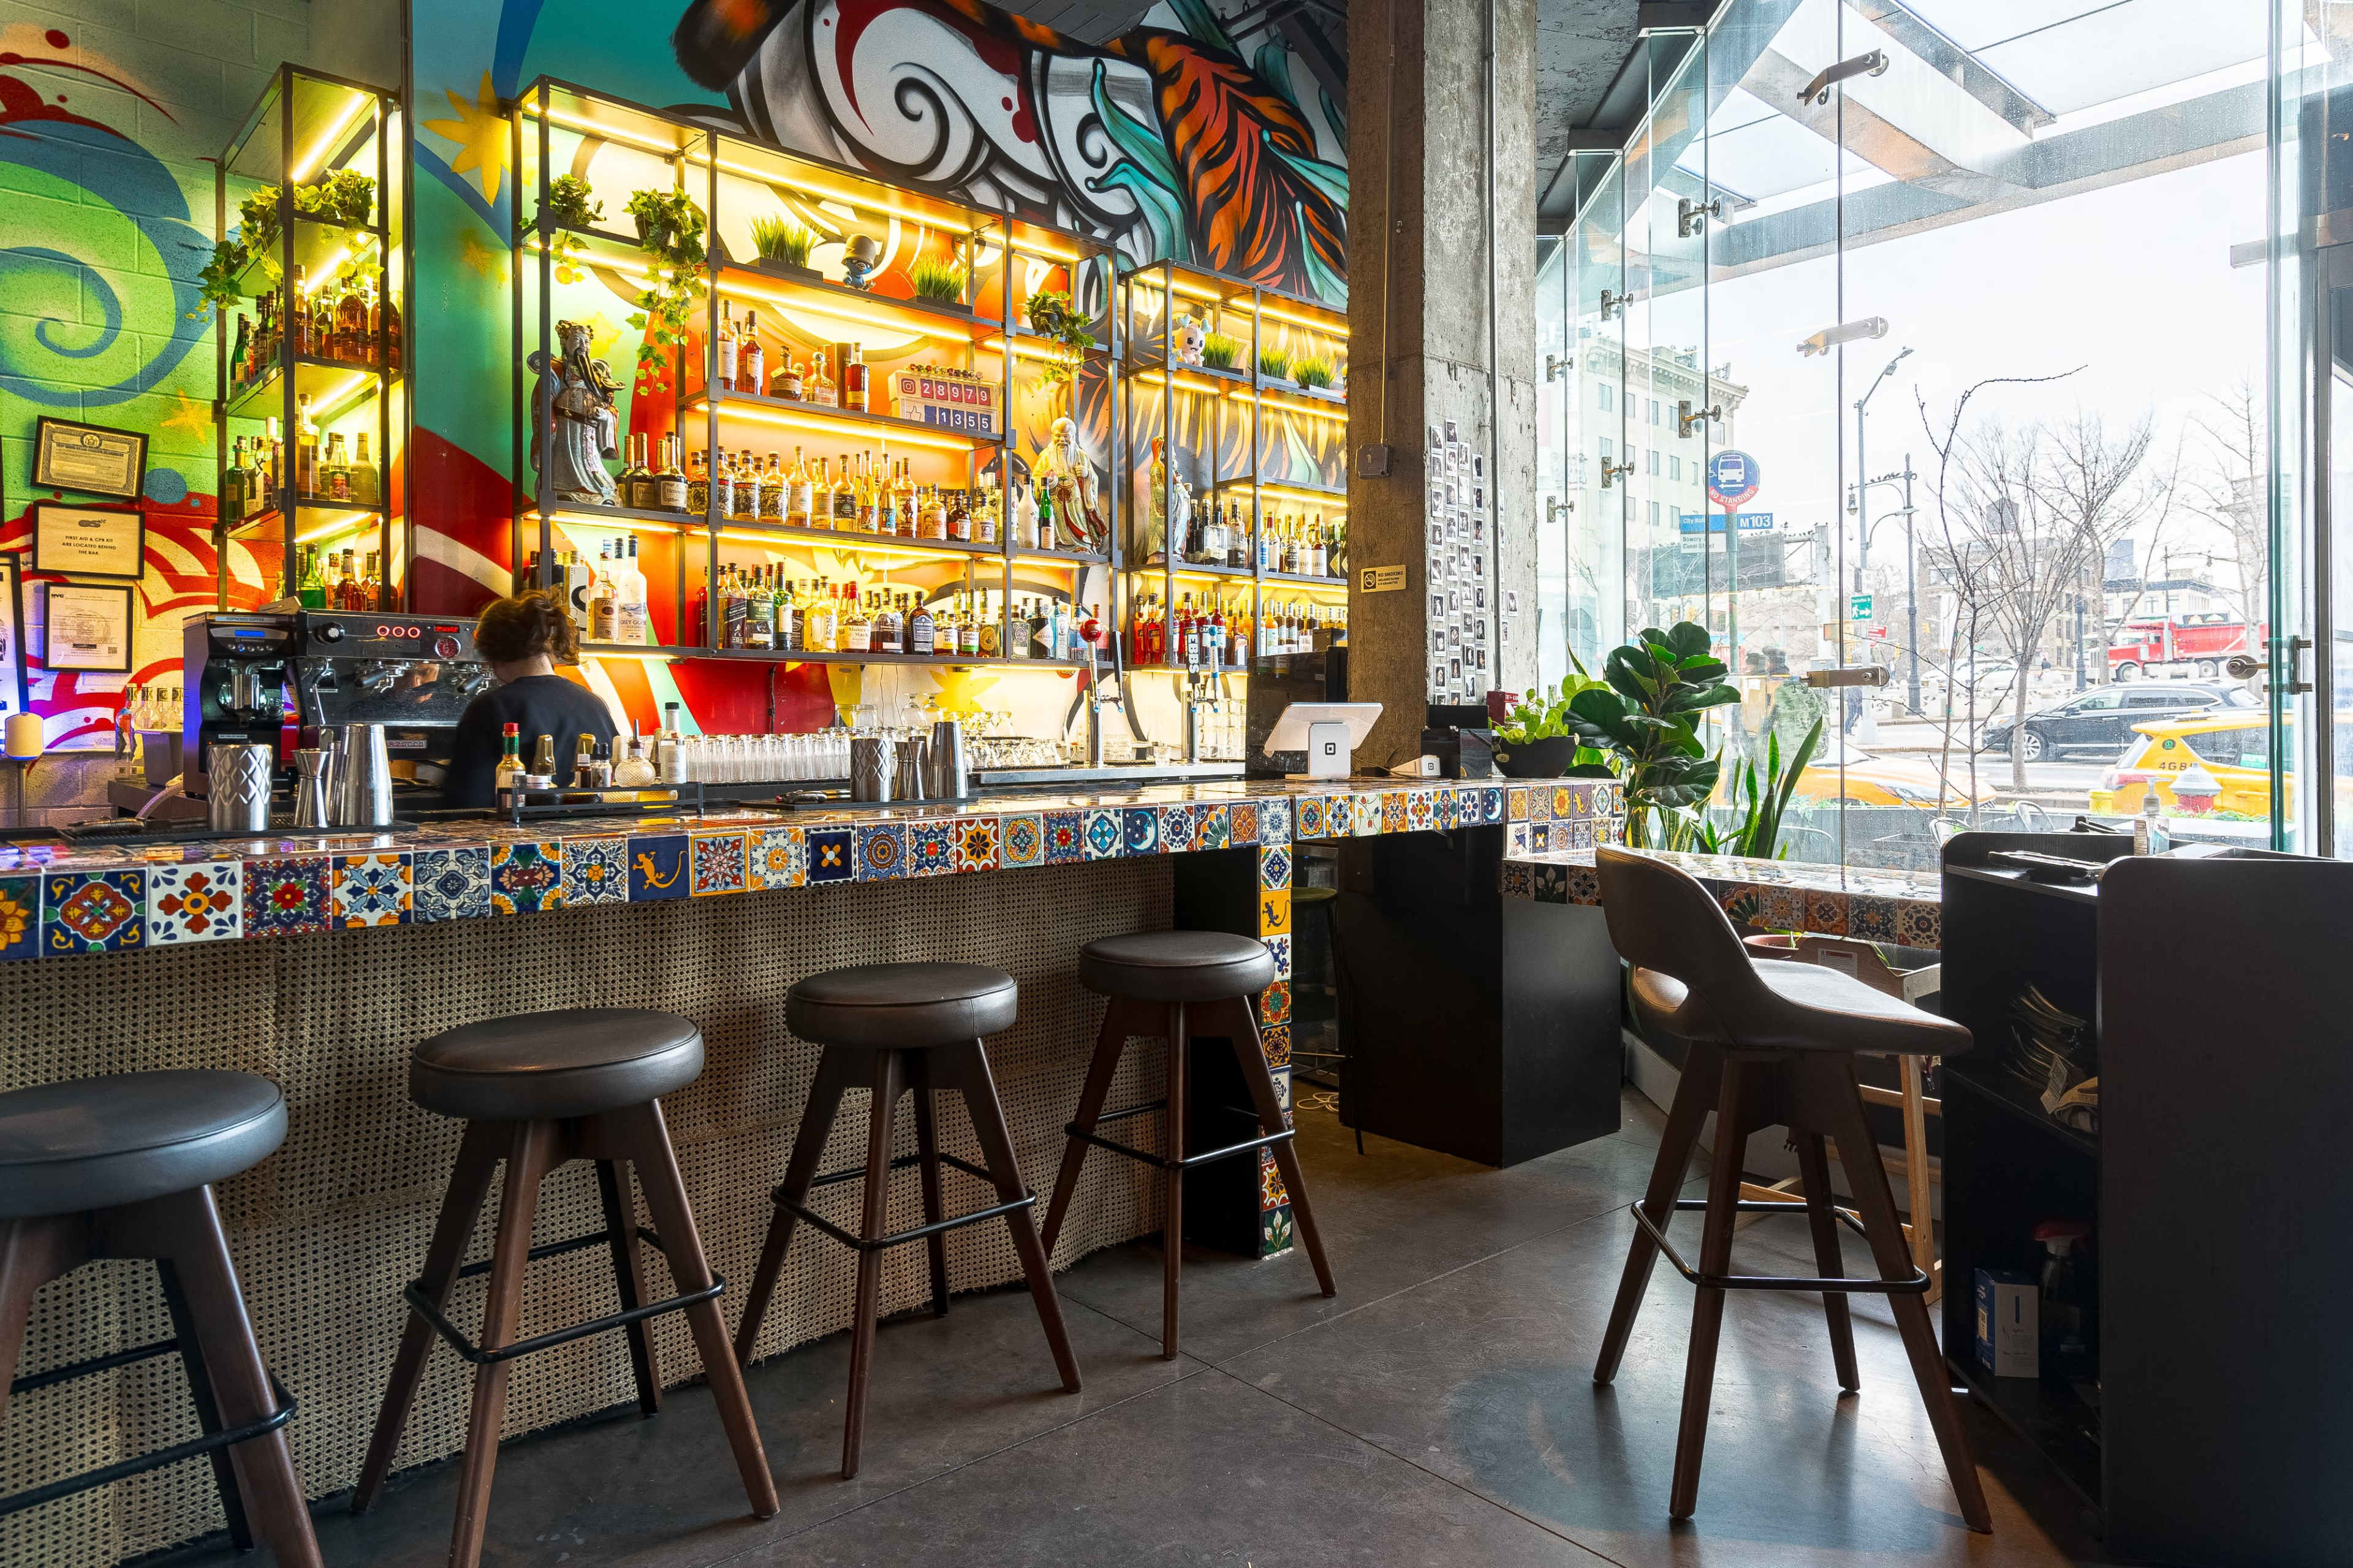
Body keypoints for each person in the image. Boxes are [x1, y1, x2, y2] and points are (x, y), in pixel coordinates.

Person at [442, 589, 617, 807]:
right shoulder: (593, 703)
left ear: (491, 649)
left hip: (519, 838)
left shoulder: (491, 707)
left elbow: (467, 799)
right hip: (590, 833)